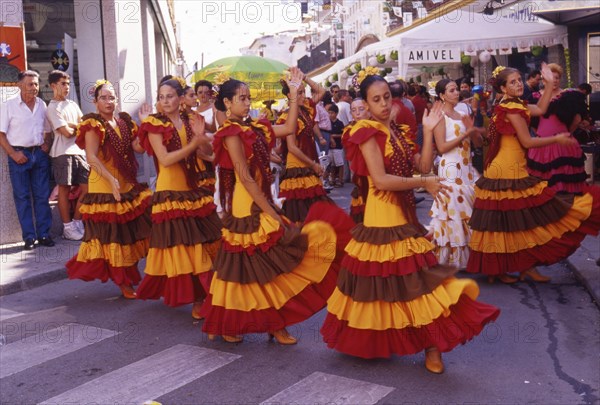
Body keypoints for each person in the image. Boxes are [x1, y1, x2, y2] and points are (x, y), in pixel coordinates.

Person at [320, 73, 500, 374]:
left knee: (421, 286)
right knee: (383, 290)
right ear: (364, 103)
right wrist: (423, 181)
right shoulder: (365, 132)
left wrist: (428, 134)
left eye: (386, 97)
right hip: (380, 223)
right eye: (375, 100)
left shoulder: (400, 131)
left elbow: (425, 165)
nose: (383, 104)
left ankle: (433, 346)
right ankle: (390, 341)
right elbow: (380, 179)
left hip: (403, 221)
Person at [201, 68, 353, 344]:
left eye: (248, 98)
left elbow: (288, 128)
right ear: (227, 103)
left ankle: (273, 323)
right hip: (247, 207)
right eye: (242, 98)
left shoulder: (255, 127)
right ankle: (238, 323)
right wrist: (269, 210)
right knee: (249, 270)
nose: (247, 103)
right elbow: (245, 177)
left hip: (261, 201)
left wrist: (294, 95)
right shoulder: (231, 132)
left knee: (269, 267)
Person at [466, 64, 600, 284]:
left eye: (519, 80)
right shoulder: (511, 108)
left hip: (513, 168)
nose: (518, 84)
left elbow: (541, 109)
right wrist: (556, 139)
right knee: (514, 223)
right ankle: (501, 269)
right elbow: (527, 141)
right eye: (513, 82)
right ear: (503, 88)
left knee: (517, 224)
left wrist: (547, 84)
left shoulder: (514, 104)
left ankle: (520, 268)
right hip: (507, 172)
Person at [135, 78, 221, 318]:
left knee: (202, 245)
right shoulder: (153, 124)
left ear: (180, 98)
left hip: (192, 191)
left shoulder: (190, 120)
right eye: (161, 97)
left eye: (170, 96)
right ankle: (198, 299)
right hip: (169, 194)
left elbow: (206, 153)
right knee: (186, 249)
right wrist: (194, 143)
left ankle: (206, 296)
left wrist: (209, 147)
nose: (165, 101)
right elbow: (165, 159)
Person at [66, 80, 152, 298]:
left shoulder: (123, 122)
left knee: (128, 234)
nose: (108, 101)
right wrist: (111, 179)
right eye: (103, 98)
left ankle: (129, 278)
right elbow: (91, 158)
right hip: (103, 187)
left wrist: (146, 125)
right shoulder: (93, 124)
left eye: (111, 97)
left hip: (124, 185)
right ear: (95, 102)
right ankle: (124, 282)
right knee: (114, 237)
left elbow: (137, 148)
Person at [428, 79, 482, 268]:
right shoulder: (440, 116)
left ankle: (470, 259)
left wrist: (473, 131)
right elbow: (442, 147)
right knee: (453, 213)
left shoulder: (462, 113)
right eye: (451, 90)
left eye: (457, 89)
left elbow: (478, 143)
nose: (456, 92)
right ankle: (451, 259)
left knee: (470, 212)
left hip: (467, 168)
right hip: (451, 168)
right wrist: (465, 134)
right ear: (442, 95)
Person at [0, 70, 54, 251]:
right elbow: (1, 134)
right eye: (30, 84)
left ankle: (44, 234)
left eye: (37, 84)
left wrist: (46, 144)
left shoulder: (42, 105)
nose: (35, 88)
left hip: (38, 155)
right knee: (22, 197)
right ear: (19, 86)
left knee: (41, 196)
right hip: (18, 156)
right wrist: (13, 154)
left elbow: (47, 129)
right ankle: (29, 237)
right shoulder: (8, 106)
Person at [277, 73, 331, 223]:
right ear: (290, 95)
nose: (304, 96)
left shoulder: (306, 109)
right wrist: (313, 164)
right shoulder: (287, 116)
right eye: (299, 93)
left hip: (308, 163)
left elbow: (321, 91)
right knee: (301, 214)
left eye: (304, 91)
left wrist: (304, 77)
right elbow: (292, 147)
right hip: (297, 167)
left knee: (314, 211)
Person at [527, 64, 589, 193]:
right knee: (542, 184)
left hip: (562, 144)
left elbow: (577, 119)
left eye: (557, 78)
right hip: (541, 145)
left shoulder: (568, 96)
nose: (554, 80)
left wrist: (567, 133)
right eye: (551, 77)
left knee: (563, 183)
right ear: (543, 80)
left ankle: (566, 210)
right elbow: (531, 121)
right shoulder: (534, 97)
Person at [46, 70, 89, 241]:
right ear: (53, 86)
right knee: (64, 189)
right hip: (62, 153)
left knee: (88, 189)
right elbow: (66, 133)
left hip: (80, 152)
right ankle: (67, 226)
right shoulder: (52, 107)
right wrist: (76, 126)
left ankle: (77, 220)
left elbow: (84, 126)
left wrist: (75, 125)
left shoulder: (72, 104)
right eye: (63, 84)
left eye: (68, 83)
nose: (67, 87)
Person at [344, 98, 370, 223]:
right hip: (362, 176)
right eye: (354, 110)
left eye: (361, 109)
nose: (358, 113)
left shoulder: (378, 127)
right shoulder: (349, 131)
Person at [327, 104, 345, 187]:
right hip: (329, 147)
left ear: (336, 113)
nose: (330, 115)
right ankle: (332, 179)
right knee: (332, 164)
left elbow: (343, 134)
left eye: (332, 113)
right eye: (329, 113)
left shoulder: (340, 123)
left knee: (340, 164)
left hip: (338, 147)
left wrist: (334, 136)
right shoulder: (327, 123)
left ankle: (340, 180)